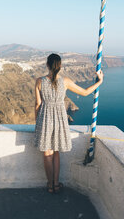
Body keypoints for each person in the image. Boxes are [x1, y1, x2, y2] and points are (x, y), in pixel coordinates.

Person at [34, 53, 103, 194]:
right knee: (56, 152)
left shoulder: (39, 81)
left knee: (47, 153)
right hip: (60, 119)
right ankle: (56, 184)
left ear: (47, 65)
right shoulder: (65, 81)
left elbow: (37, 104)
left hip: (44, 119)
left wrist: (37, 123)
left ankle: (50, 186)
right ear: (60, 66)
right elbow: (84, 92)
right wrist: (99, 82)